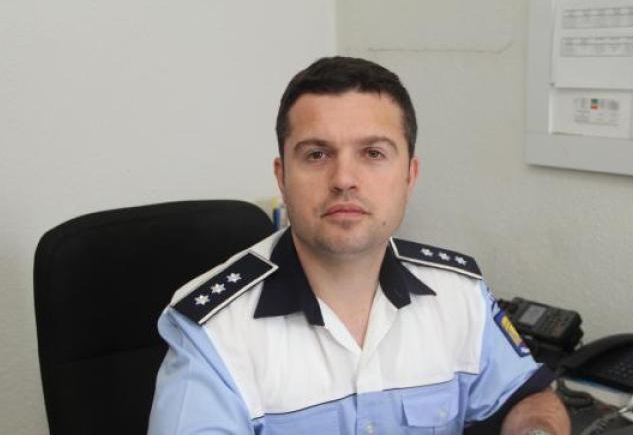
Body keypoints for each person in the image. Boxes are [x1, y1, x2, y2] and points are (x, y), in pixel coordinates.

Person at [148, 56, 570, 435]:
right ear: (282, 176)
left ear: (410, 175)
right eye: (317, 155)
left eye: (372, 153)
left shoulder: (458, 293)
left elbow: (528, 397)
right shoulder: (213, 330)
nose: (344, 179)